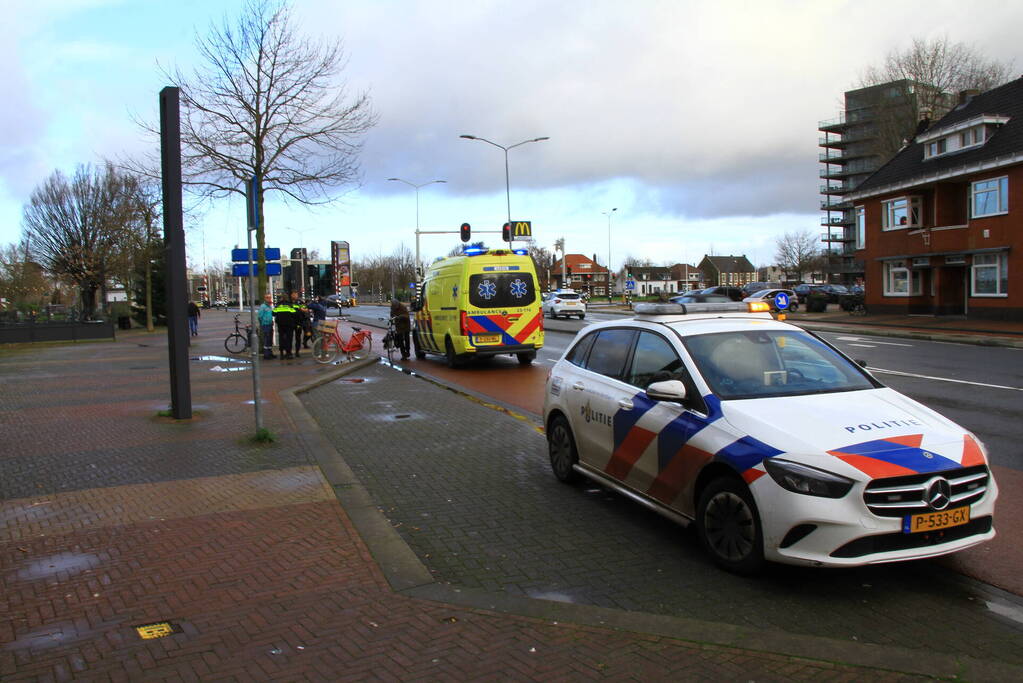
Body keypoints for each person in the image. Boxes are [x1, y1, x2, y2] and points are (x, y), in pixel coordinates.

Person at [258, 293, 276, 359]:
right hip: (265, 325)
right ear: (265, 298)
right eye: (267, 297)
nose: (269, 299)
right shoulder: (263, 306)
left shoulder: (270, 306)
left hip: (270, 324)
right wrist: (262, 323)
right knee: (266, 339)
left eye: (270, 298)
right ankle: (266, 354)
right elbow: (259, 316)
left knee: (270, 340)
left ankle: (270, 353)